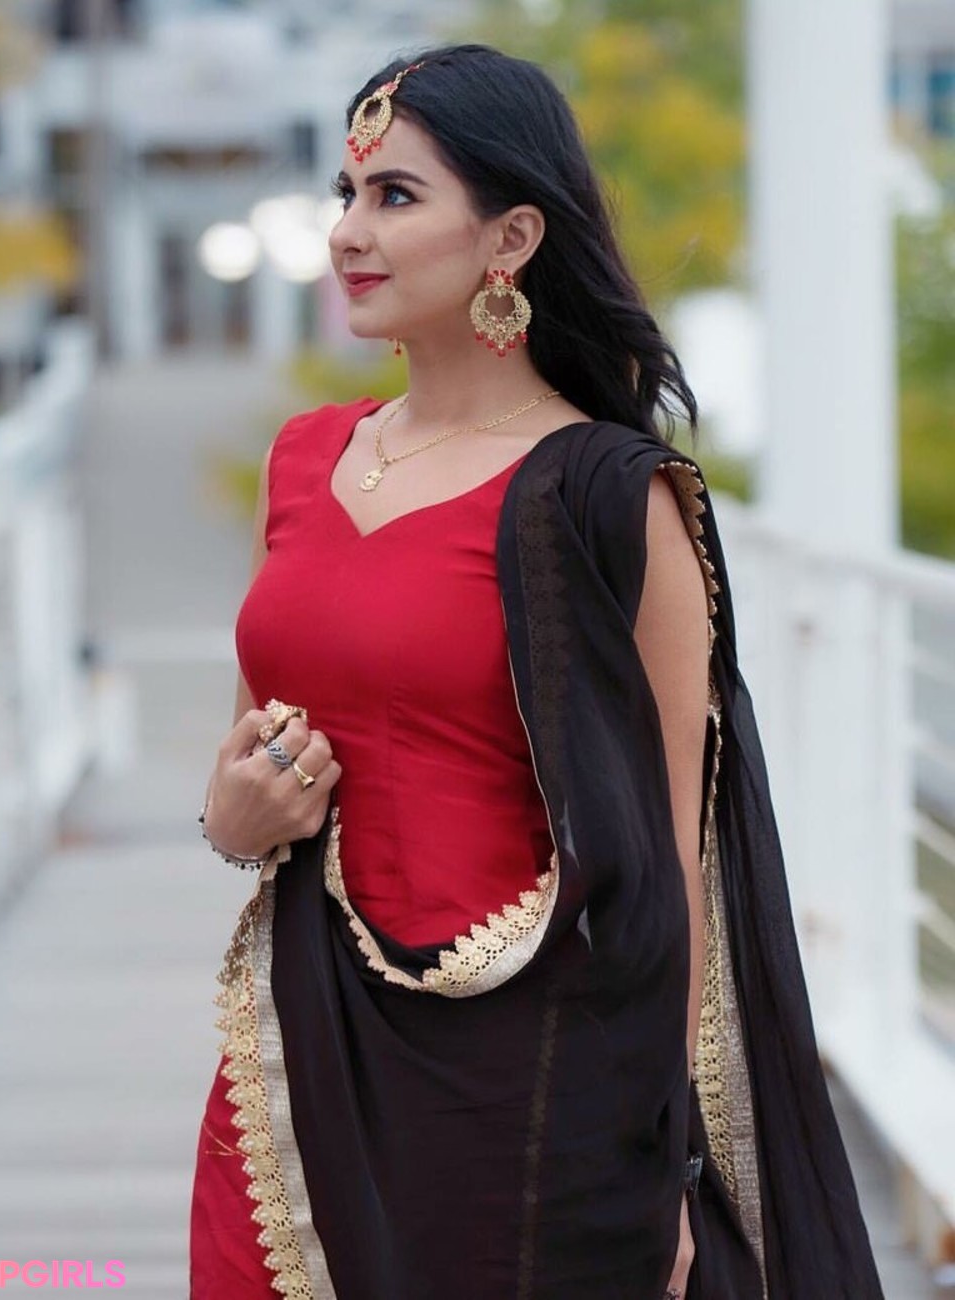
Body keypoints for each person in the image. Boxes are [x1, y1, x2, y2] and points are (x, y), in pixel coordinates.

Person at [189, 44, 884, 1300]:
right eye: (346, 193)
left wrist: (664, 1162)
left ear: (511, 236)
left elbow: (675, 857)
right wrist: (229, 818)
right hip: (298, 1050)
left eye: (396, 196)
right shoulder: (304, 460)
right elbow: (254, 758)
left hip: (530, 1076)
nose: (349, 232)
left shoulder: (609, 497)